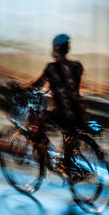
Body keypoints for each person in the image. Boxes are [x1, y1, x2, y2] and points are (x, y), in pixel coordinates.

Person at [22, 34, 88, 176]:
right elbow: (71, 89)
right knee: (70, 135)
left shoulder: (51, 68)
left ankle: (46, 155)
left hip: (62, 114)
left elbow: (37, 84)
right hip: (79, 114)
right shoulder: (77, 66)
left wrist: (21, 88)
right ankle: (68, 163)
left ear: (55, 49)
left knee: (38, 127)